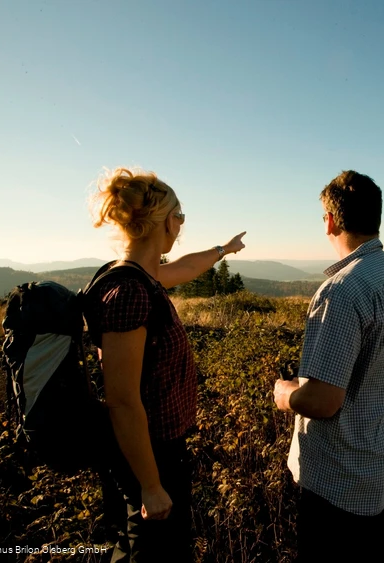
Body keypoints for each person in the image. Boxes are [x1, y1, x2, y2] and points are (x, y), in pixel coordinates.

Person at [87, 167, 246, 562]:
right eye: (181, 215)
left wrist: (223, 250)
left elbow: (187, 268)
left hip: (159, 451)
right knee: (150, 552)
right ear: (166, 223)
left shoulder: (142, 276)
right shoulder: (129, 293)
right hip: (149, 456)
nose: (182, 224)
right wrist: (151, 485)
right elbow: (121, 400)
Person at [273, 170, 384, 562]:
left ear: (331, 221)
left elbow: (323, 402)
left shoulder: (340, 291)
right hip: (380, 460)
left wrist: (285, 395)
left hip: (340, 478)